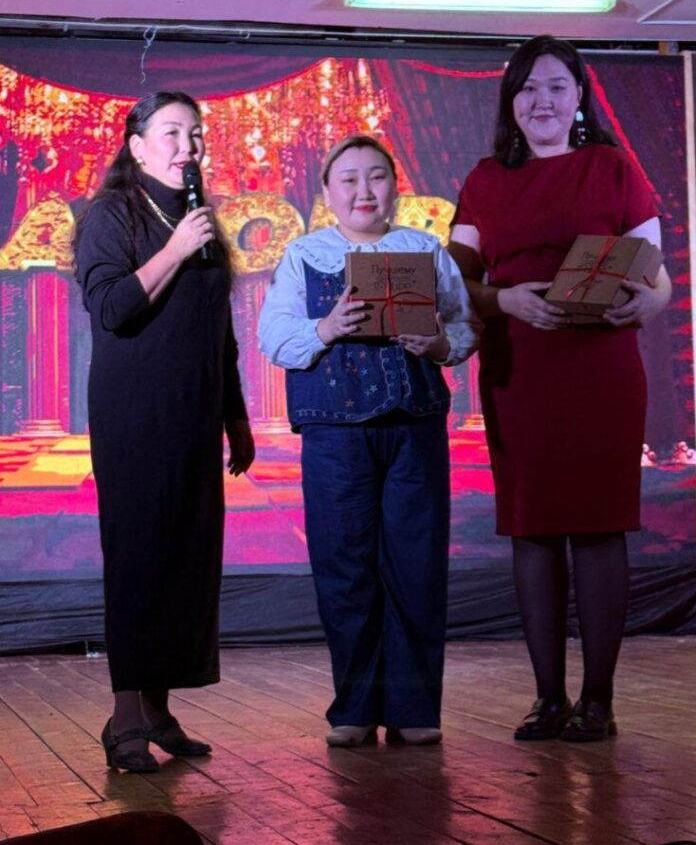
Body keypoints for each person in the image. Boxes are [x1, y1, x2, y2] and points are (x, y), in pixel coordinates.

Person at [449, 36, 672, 742]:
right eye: (527, 88)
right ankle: (548, 699)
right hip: (520, 368)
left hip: (601, 364)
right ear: (510, 102)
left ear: (578, 97)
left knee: (600, 527)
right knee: (534, 530)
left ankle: (598, 701)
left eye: (555, 86)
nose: (541, 100)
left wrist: (651, 302)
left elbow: (655, 273)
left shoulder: (613, 167)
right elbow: (458, 283)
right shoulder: (485, 179)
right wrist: (506, 301)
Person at [258, 134, 477, 748]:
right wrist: (326, 328)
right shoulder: (304, 254)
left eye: (376, 177)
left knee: (416, 563)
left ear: (395, 188)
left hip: (414, 425)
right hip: (335, 432)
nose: (363, 190)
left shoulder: (424, 249)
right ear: (327, 193)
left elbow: (463, 324)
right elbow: (273, 336)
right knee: (345, 566)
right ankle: (354, 708)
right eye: (348, 179)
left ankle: (413, 708)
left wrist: (439, 344)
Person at [74, 91, 255, 772]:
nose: (188, 146)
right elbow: (111, 306)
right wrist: (176, 251)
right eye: (172, 132)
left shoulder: (198, 216)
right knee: (140, 556)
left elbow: (218, 330)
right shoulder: (111, 213)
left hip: (194, 412)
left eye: (196, 134)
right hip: (135, 413)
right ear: (137, 145)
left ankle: (158, 710)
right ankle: (125, 717)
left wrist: (235, 415)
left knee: (184, 558)